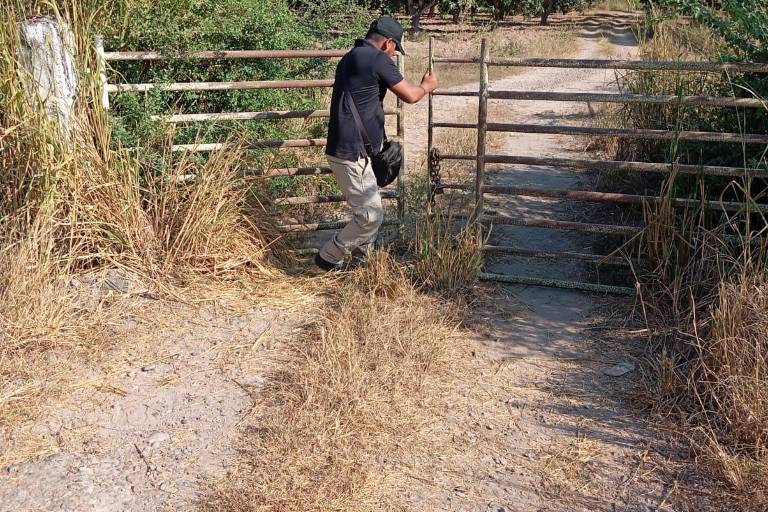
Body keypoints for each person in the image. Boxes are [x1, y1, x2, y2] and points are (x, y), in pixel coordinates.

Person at [315, 15, 438, 271]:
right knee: (370, 216)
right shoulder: (377, 59)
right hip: (352, 152)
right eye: (395, 49)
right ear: (387, 43)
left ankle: (363, 264)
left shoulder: (351, 56)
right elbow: (410, 95)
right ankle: (328, 257)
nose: (394, 55)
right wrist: (427, 86)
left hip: (348, 147)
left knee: (369, 211)